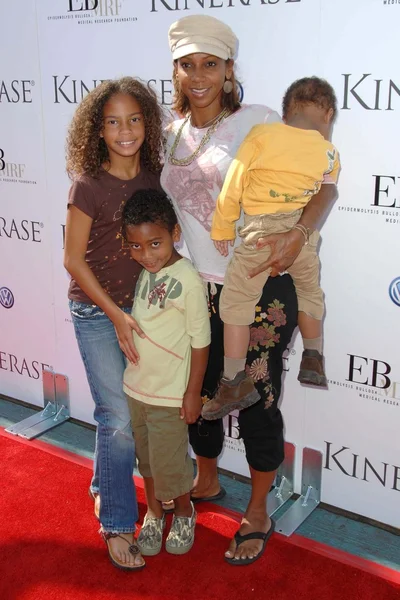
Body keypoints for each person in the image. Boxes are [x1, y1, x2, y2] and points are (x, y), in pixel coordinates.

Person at [161, 14, 337, 565]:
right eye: (187, 65)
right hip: (197, 288)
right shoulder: (168, 132)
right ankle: (207, 478)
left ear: (229, 68)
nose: (198, 76)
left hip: (263, 285)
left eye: (210, 64)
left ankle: (259, 508)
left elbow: (326, 188)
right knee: (208, 389)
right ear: (176, 70)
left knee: (257, 395)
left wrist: (300, 234)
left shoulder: (261, 121)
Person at [64, 77, 164, 571]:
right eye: (112, 122)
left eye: (134, 119)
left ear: (147, 122)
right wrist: (116, 315)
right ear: (97, 130)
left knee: (134, 417)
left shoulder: (154, 177)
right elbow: (73, 261)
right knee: (118, 417)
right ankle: (119, 523)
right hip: (96, 312)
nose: (125, 131)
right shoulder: (88, 184)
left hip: (142, 313)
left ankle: (105, 483)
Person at [203, 77, 340, 420]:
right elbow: (326, 189)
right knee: (310, 292)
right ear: (328, 113)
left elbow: (234, 182)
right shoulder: (329, 152)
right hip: (301, 235)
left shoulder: (262, 135)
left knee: (235, 304)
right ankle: (313, 356)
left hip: (260, 234)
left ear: (287, 111)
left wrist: (222, 226)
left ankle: (233, 380)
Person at [121, 189, 210, 556]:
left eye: (155, 243)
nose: (146, 255)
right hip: (137, 389)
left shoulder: (188, 278)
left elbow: (200, 340)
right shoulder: (146, 272)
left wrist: (192, 393)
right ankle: (155, 514)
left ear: (174, 233)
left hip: (170, 395)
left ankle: (185, 512)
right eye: (136, 247)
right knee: (147, 460)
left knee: (171, 464)